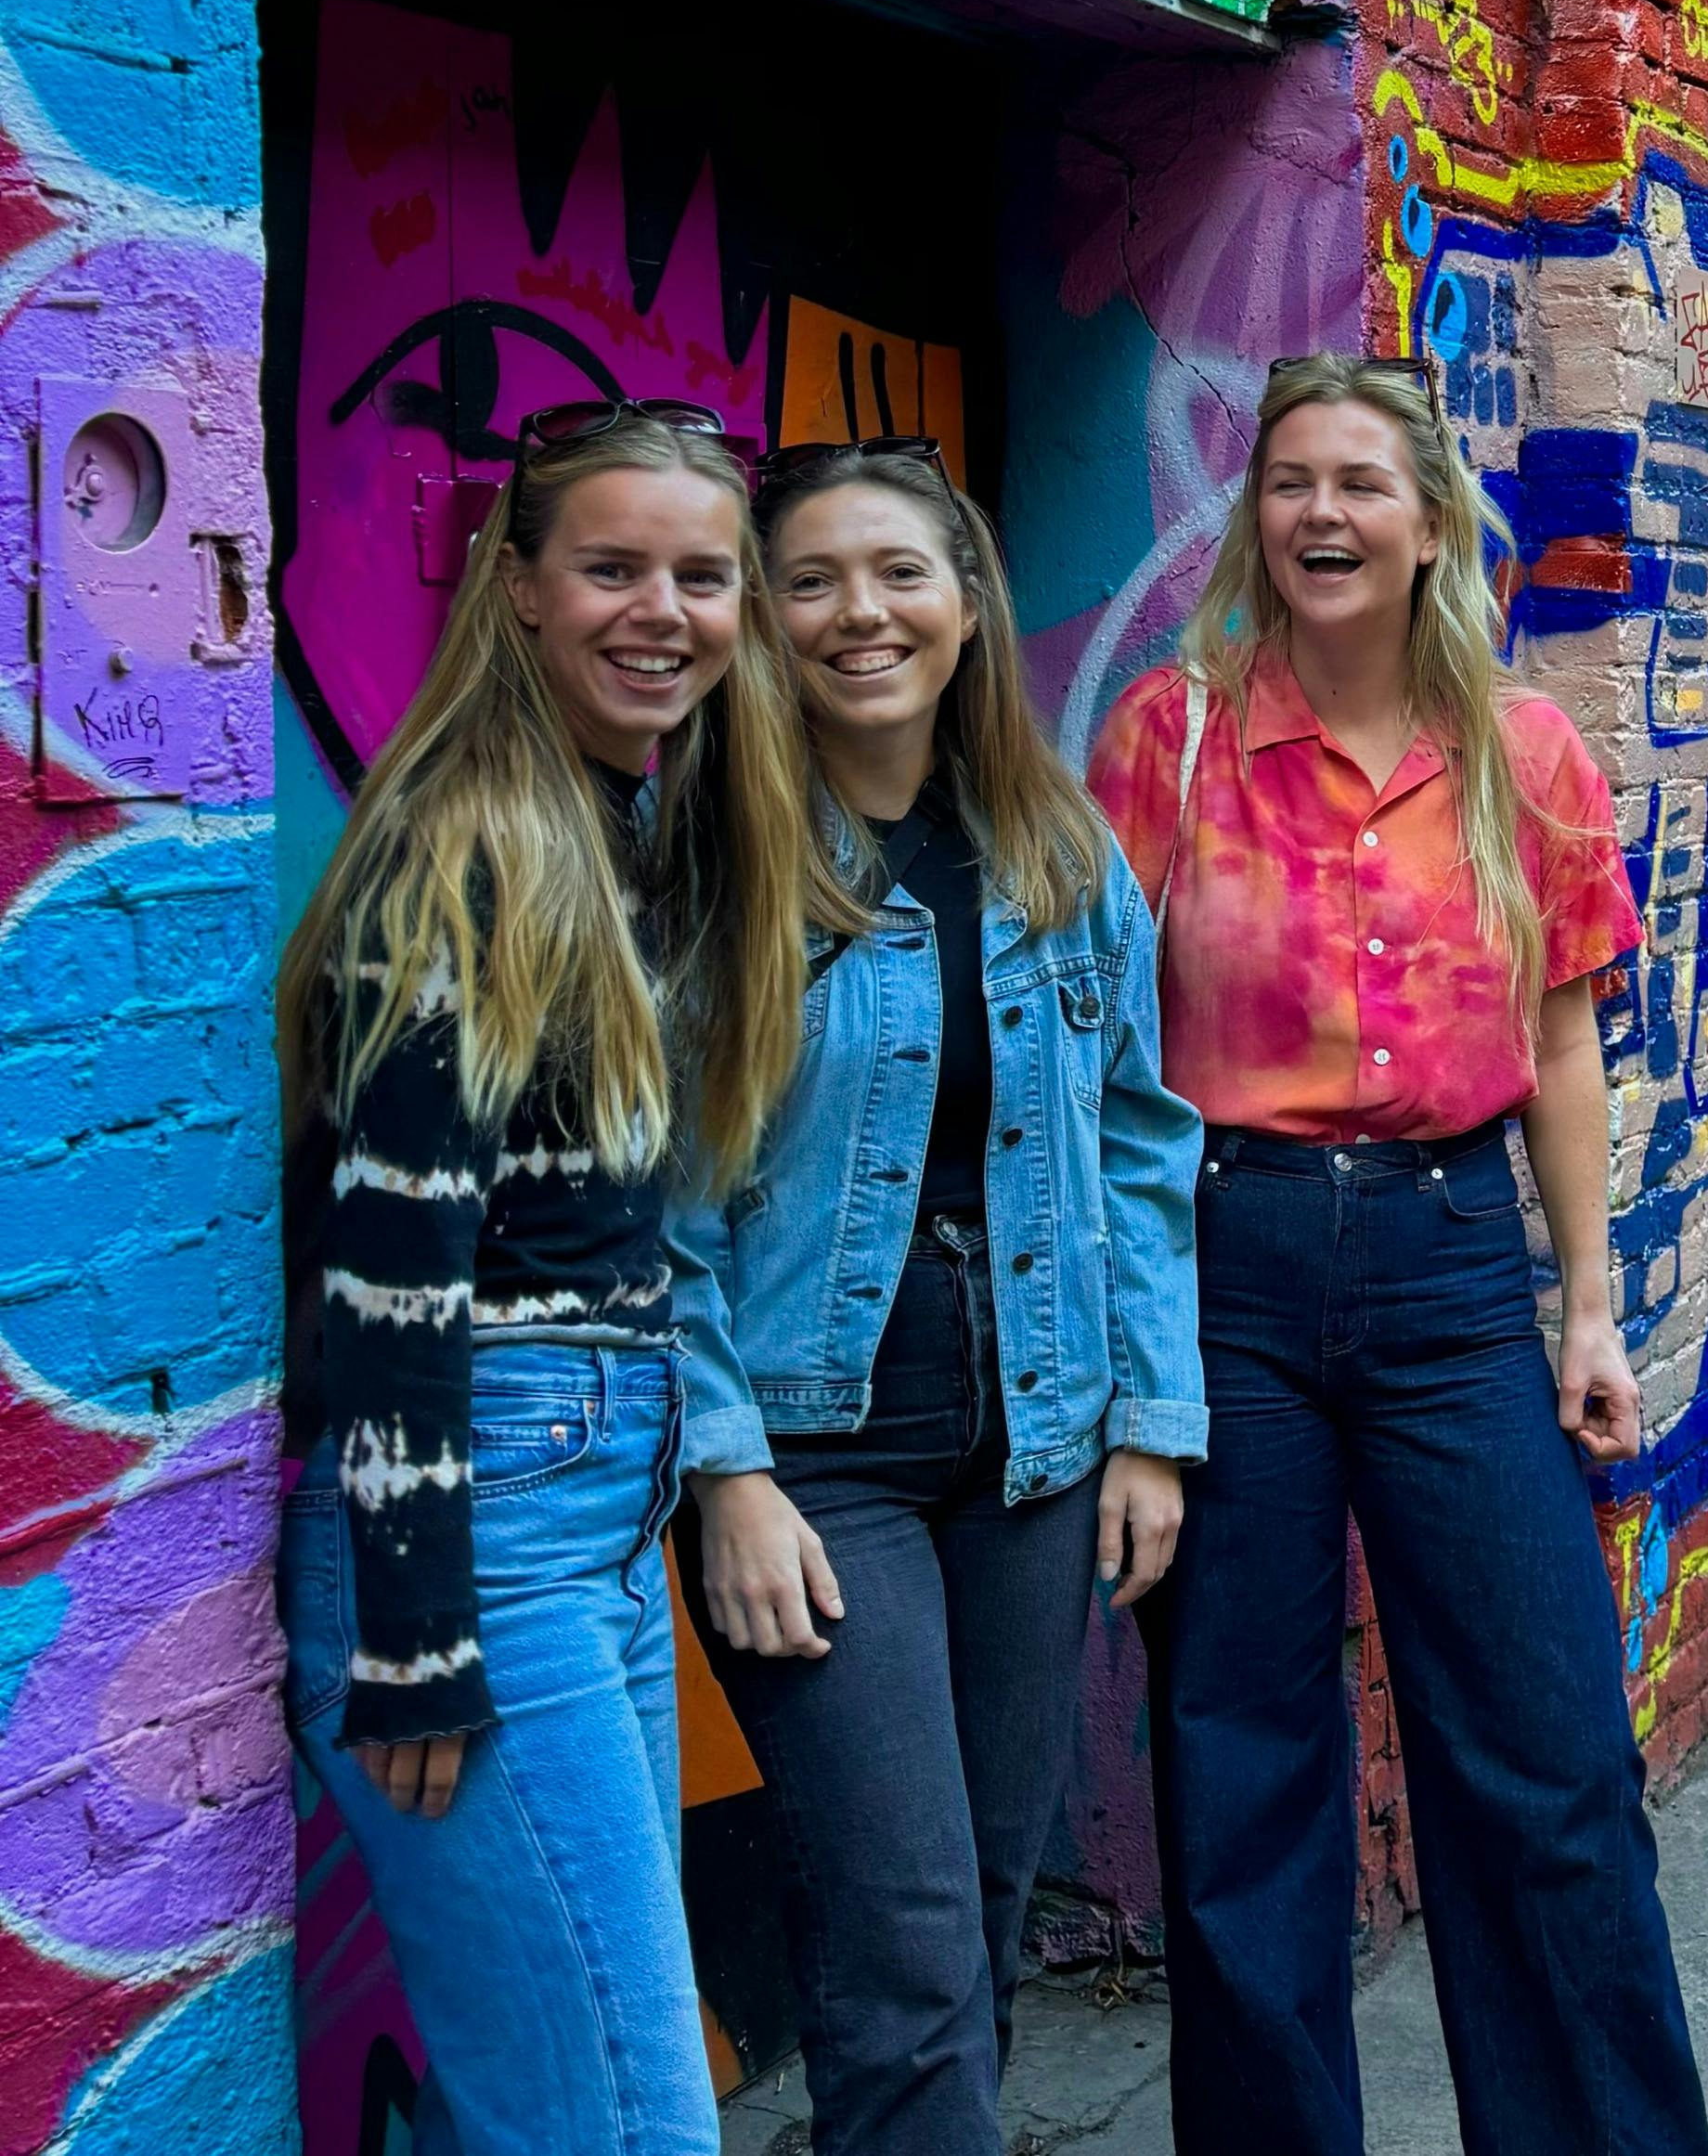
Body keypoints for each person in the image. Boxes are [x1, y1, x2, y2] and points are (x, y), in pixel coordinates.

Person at [1085, 355, 1708, 2154]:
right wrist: (1133, 1357)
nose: (1320, 514)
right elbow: (1108, 1064)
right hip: (1230, 1275)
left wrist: (1584, 1306)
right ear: (1253, 520)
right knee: (1241, 1778)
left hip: (1451, 1274)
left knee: (1552, 1766)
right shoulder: (1169, 740)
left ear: (1430, 521)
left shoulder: (1524, 756)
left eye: (1360, 481)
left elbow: (1565, 1040)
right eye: (1287, 482)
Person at [276, 405, 840, 2155]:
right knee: (621, 2122)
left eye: (700, 574)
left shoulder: (611, 829)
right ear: (518, 591)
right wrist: (420, 1630)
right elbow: (390, 1273)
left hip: (582, 1521)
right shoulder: (472, 843)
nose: (658, 610)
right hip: (486, 1546)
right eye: (609, 568)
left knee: (544, 2100)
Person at [675, 440, 1208, 2155]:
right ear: (766, 617)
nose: (860, 614)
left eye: (900, 572)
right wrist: (726, 1469)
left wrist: (1150, 1426)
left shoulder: (1056, 852)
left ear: (968, 603)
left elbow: (1136, 1144)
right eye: (812, 578)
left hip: (1035, 1453)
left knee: (969, 1914)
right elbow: (654, 1199)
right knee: (907, 1942)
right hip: (816, 1463)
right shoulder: (713, 860)